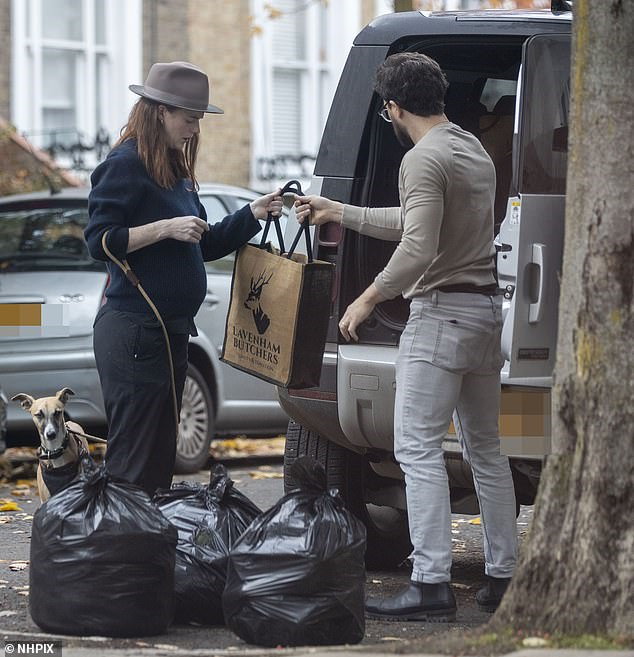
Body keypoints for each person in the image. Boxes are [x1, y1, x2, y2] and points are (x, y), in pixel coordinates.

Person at [294, 52, 517, 621]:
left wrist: (367, 298)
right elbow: (418, 222)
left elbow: (417, 246)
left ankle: (430, 581)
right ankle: (503, 576)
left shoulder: (421, 158)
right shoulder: (471, 149)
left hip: (441, 316)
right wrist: (339, 211)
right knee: (486, 450)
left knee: (415, 447)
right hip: (486, 312)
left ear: (392, 107)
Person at [85, 61, 282, 496]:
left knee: (159, 458)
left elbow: (204, 245)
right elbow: (97, 241)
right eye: (189, 118)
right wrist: (164, 228)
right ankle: (118, 556)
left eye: (198, 119)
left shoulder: (173, 171)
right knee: (133, 459)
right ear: (160, 112)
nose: (195, 128)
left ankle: (147, 553)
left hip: (169, 334)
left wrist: (253, 213)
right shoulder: (124, 164)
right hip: (134, 331)